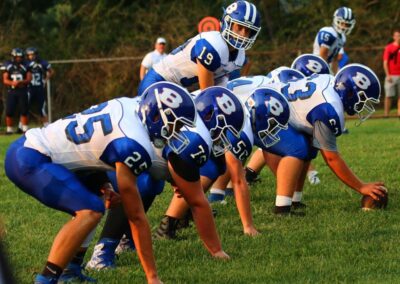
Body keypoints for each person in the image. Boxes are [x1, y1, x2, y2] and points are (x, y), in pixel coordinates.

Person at [4, 81, 201, 284]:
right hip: (31, 157)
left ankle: (70, 269)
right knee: (91, 209)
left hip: (38, 150)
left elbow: (90, 147)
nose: (176, 130)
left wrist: (104, 184)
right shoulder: (135, 143)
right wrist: (152, 276)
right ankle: (46, 279)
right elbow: (136, 217)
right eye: (174, 123)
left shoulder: (128, 105)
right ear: (155, 116)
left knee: (97, 199)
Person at [83, 86, 244, 269]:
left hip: (114, 129)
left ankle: (126, 241)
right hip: (106, 143)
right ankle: (102, 253)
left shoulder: (189, 113)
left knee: (153, 182)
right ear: (209, 116)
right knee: (138, 186)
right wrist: (216, 250)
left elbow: (165, 156)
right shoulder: (193, 139)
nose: (223, 138)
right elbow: (198, 203)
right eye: (224, 130)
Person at [263, 64, 386, 214]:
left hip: (272, 105)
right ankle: (282, 208)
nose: (363, 106)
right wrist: (361, 186)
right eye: (362, 99)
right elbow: (331, 158)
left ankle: (294, 200)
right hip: (264, 110)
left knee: (308, 147)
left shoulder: (329, 81)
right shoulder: (330, 108)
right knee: (298, 148)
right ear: (349, 93)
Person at [137, 0, 261, 95]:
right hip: (158, 80)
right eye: (239, 27)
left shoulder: (240, 56)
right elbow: (207, 94)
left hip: (178, 90)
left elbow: (218, 88)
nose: (243, 34)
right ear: (227, 23)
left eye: (249, 30)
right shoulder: (213, 44)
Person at [313, 6, 355, 73]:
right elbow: (323, 54)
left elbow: (335, 60)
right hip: (315, 65)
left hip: (326, 66)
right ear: (336, 20)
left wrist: (334, 75)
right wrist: (327, 72)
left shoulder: (343, 38)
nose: (343, 27)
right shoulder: (329, 32)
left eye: (347, 25)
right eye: (341, 23)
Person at [2, 48, 32, 134]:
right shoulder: (9, 66)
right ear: (13, 57)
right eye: (17, 57)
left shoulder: (26, 65)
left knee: (24, 110)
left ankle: (25, 129)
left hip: (23, 90)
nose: (19, 58)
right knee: (9, 111)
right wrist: (12, 82)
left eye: (20, 57)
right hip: (12, 91)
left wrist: (21, 82)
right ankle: (9, 130)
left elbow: (29, 78)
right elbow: (5, 79)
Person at [26, 47, 54, 126]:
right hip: (29, 88)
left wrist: (45, 79)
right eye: (29, 55)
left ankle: (47, 126)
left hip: (39, 88)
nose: (31, 57)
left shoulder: (42, 62)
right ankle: (22, 127)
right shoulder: (26, 63)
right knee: (24, 107)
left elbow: (51, 71)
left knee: (42, 108)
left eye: (33, 55)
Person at [383, 28, 400, 117]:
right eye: (396, 36)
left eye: (399, 36)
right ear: (393, 37)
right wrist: (388, 75)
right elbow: (385, 62)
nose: (398, 38)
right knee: (388, 95)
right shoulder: (389, 48)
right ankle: (386, 114)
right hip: (391, 75)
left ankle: (399, 113)